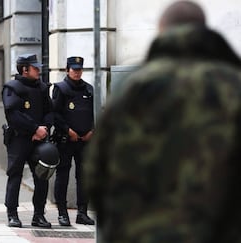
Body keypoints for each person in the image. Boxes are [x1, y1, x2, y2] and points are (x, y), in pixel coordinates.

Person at [84, 1, 241, 242]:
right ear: (203, 29)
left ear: (161, 29)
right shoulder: (234, 85)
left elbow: (97, 171)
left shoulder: (134, 87)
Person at [2, 54, 54, 228]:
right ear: (25, 69)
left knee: (42, 176)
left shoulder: (41, 87)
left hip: (38, 139)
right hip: (18, 139)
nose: (39, 70)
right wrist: (34, 129)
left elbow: (49, 111)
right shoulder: (12, 88)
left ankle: (39, 215)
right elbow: (13, 115)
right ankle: (12, 214)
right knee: (15, 175)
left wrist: (44, 128)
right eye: (35, 67)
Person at [52, 56, 95, 226]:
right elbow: (55, 114)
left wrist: (92, 130)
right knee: (62, 175)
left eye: (79, 69)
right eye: (74, 69)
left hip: (85, 141)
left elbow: (95, 113)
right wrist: (68, 131)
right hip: (66, 140)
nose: (77, 73)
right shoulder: (60, 89)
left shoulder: (89, 89)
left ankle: (82, 212)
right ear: (67, 69)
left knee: (84, 176)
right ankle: (62, 213)